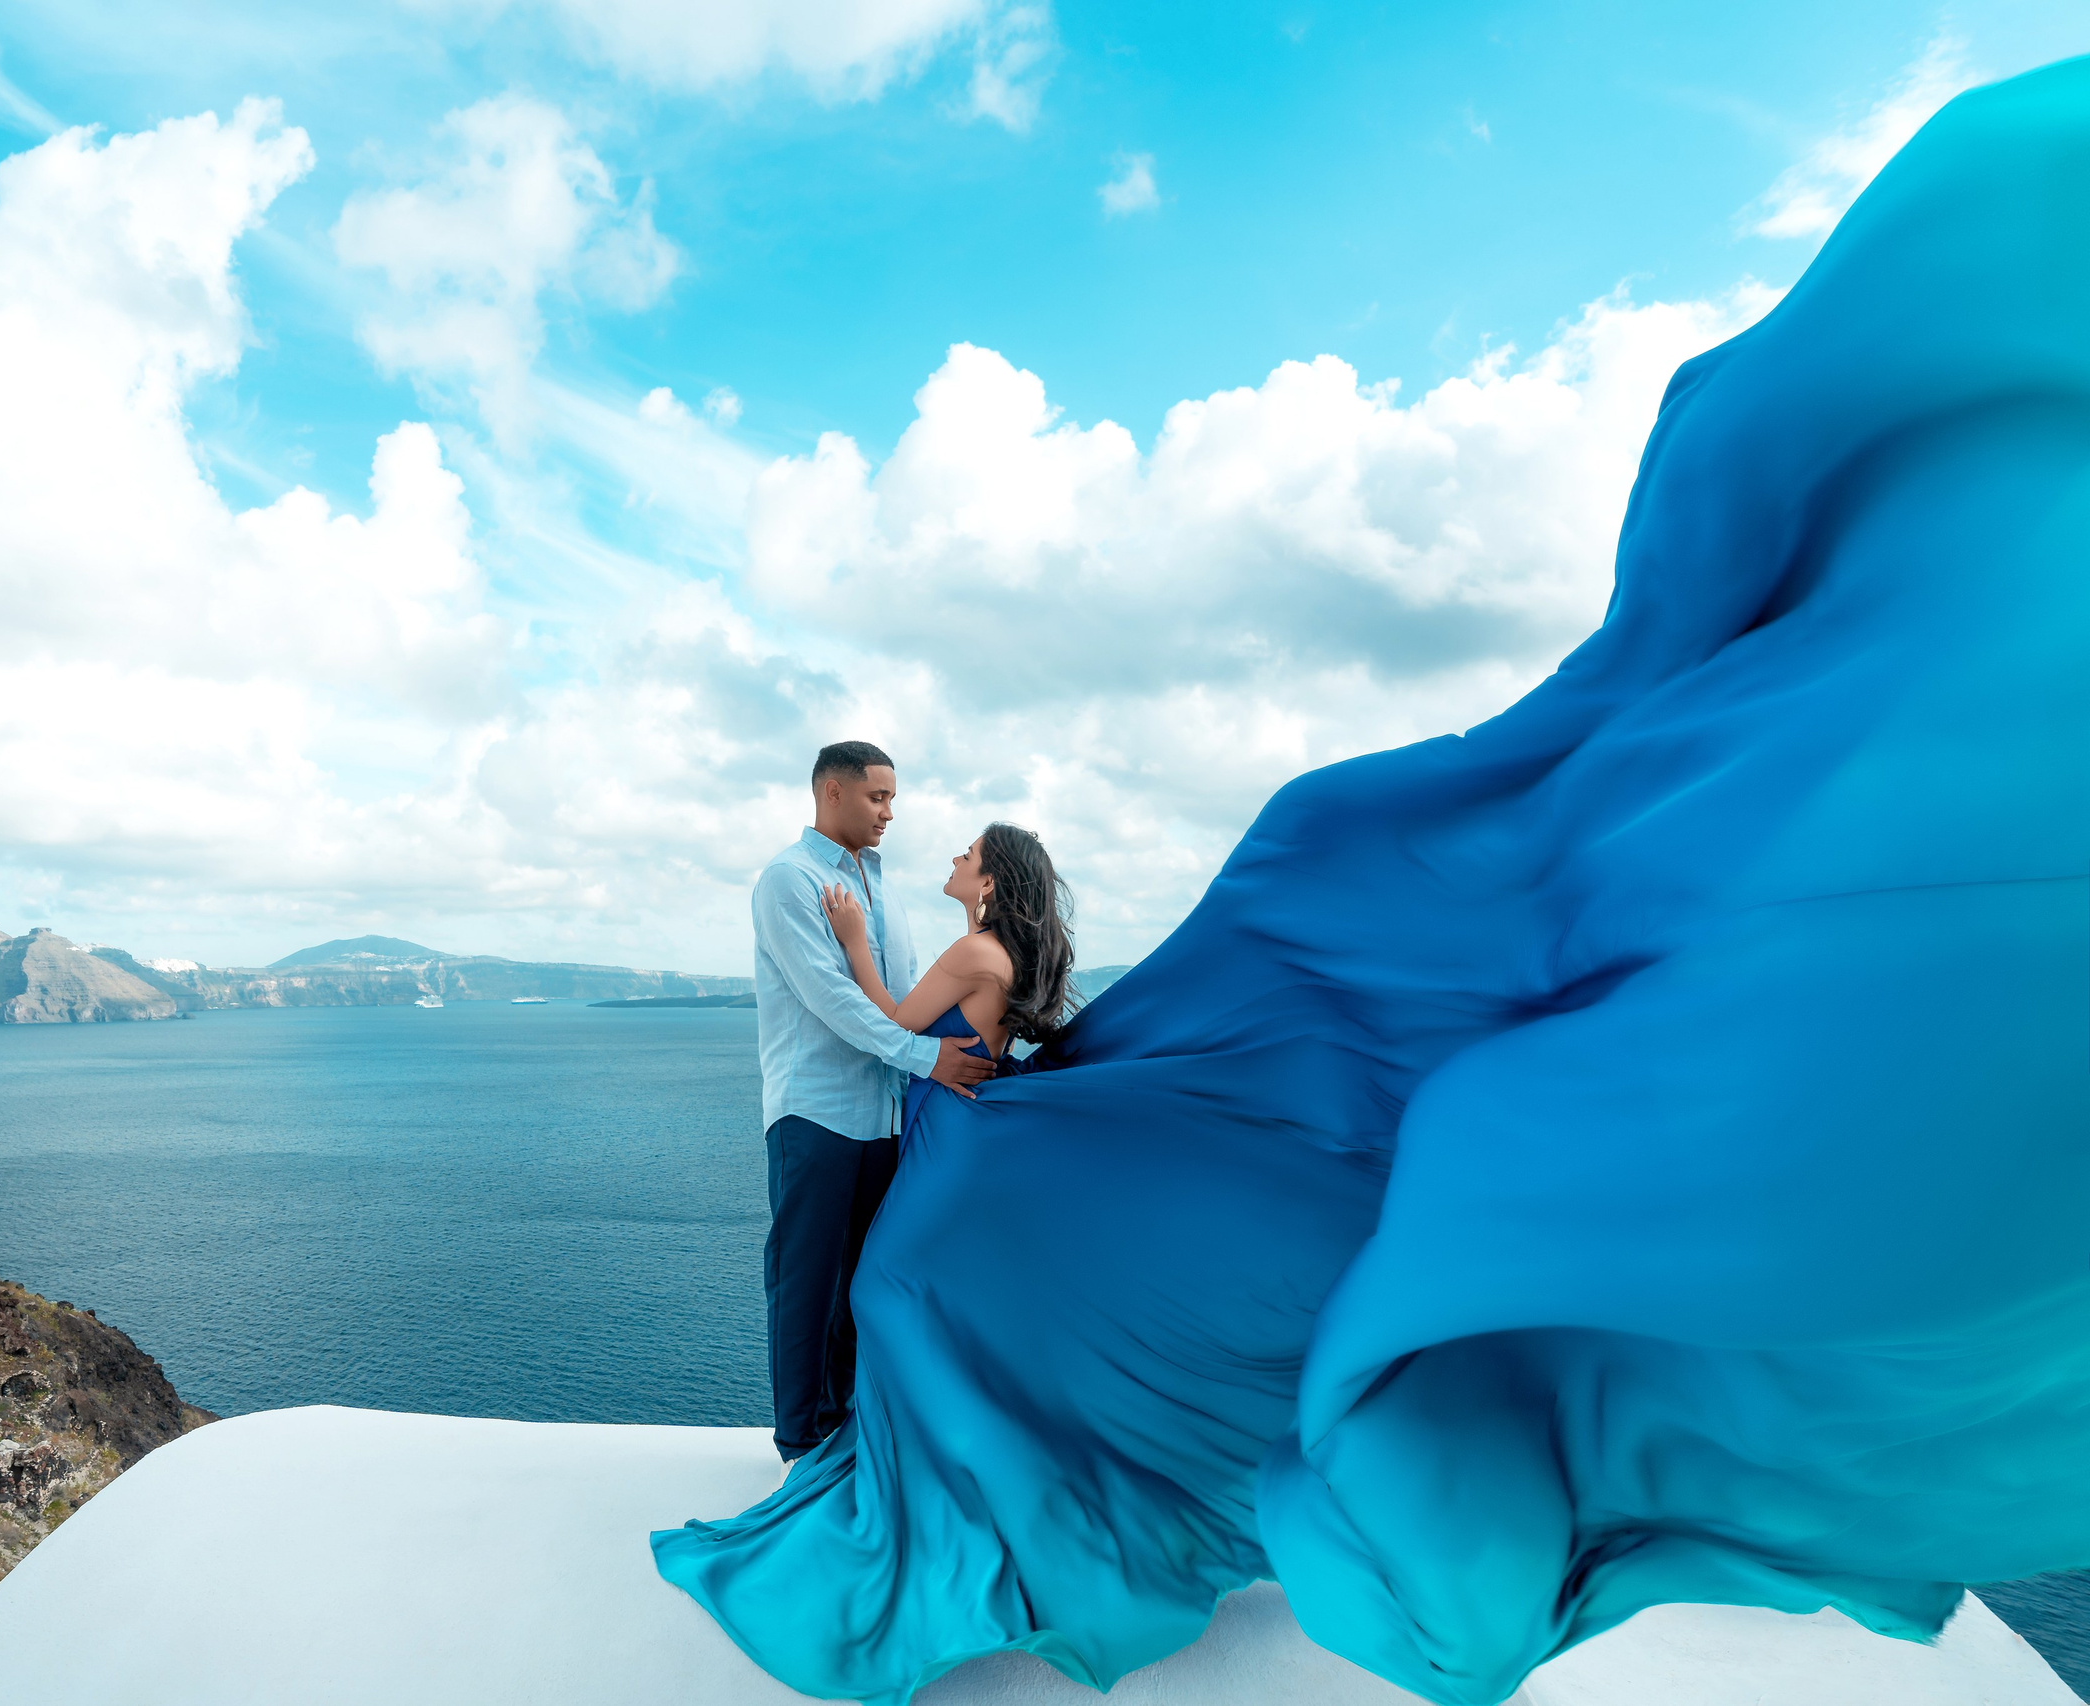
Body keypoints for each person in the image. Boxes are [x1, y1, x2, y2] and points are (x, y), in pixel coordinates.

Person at [658, 63, 2090, 1706]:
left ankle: (869, 1453)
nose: (925, 823)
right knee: (885, 1271)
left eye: (931, 816)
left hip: (902, 1104)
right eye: (897, 798)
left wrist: (898, 996)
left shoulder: (950, 918)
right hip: (931, 1102)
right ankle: (936, 1450)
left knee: (875, 1277)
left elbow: (919, 1024)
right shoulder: (1101, 894)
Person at [750, 741, 995, 1465]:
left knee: (862, 1287)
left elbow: (906, 999)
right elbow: (831, 1000)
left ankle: (843, 1434)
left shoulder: (880, 889)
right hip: (815, 1114)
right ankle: (799, 1446)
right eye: (877, 797)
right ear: (832, 793)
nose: (890, 812)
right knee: (806, 1284)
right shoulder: (787, 881)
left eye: (892, 798)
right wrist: (928, 1061)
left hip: (882, 1118)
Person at [815, 820, 1076, 1136]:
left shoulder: (975, 951)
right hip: (967, 1115)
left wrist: (855, 941)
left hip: (946, 1116)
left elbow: (895, 1022)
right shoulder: (1006, 954)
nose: (956, 860)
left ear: (989, 883)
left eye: (967, 856)